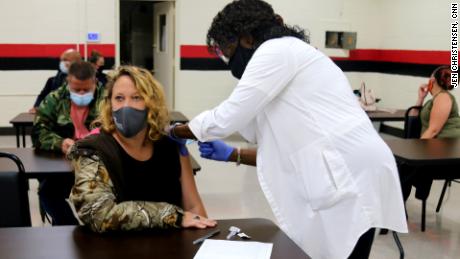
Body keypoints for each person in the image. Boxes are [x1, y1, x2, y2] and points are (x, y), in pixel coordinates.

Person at [169, 0, 407, 258]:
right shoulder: (290, 57)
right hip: (351, 166)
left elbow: (227, 117)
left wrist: (174, 131)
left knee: (346, 249)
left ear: (247, 38)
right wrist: (232, 154)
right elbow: (278, 149)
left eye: (228, 50)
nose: (228, 61)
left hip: (351, 170)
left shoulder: (276, 52)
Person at [68, 66, 216, 233]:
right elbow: (99, 214)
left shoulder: (171, 146)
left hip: (171, 250)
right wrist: (172, 216)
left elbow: (194, 208)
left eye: (136, 97)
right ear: (110, 104)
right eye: (119, 98)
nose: (126, 106)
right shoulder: (92, 150)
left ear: (151, 103)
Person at [32, 61, 105, 225]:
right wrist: (59, 143)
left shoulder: (107, 100)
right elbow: (38, 131)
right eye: (76, 89)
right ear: (68, 82)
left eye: (86, 89)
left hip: (99, 163)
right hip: (64, 164)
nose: (81, 93)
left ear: (95, 82)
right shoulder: (54, 99)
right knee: (47, 192)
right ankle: (69, 227)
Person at [401, 65, 460, 202]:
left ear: (432, 80)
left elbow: (433, 130)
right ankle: (399, 206)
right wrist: (421, 98)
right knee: (403, 166)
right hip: (438, 148)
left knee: (405, 166)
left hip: (448, 152)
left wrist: (414, 151)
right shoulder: (434, 99)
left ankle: (397, 207)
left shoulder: (443, 98)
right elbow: (413, 117)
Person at [29, 49, 81, 113]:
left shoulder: (83, 81)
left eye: (67, 60)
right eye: (63, 60)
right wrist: (36, 107)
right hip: (53, 115)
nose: (64, 63)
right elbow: (43, 95)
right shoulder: (52, 80)